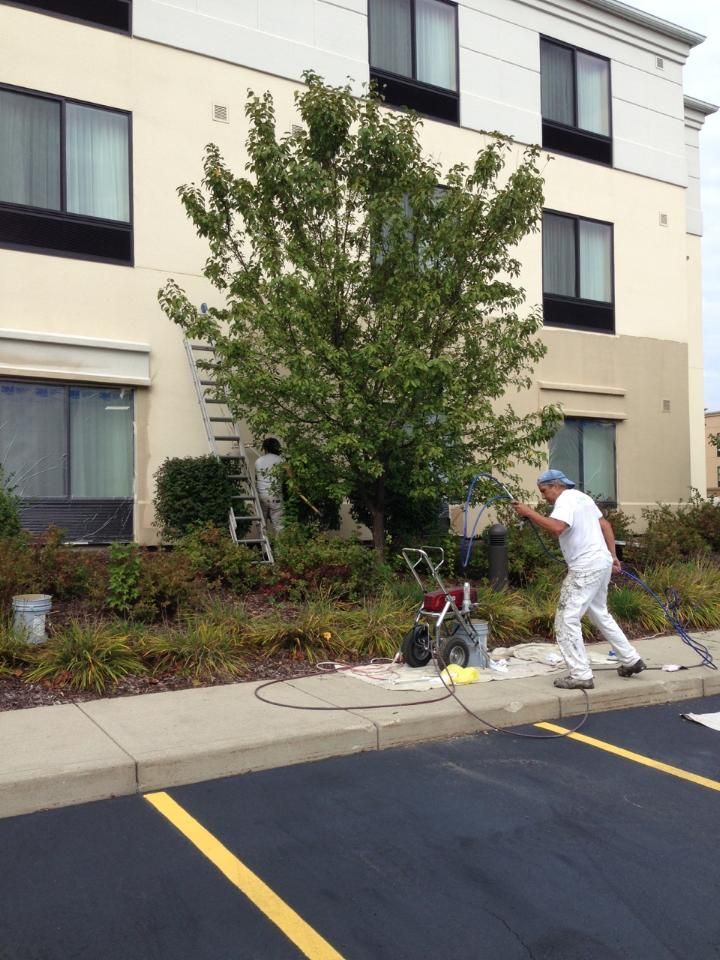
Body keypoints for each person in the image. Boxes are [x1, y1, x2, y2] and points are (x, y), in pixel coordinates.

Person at [512, 469, 646, 690]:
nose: (544, 497)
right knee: (599, 613)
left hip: (585, 567)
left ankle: (580, 674)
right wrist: (612, 556)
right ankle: (631, 660)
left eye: (544, 491)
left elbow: (557, 527)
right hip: (600, 561)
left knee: (566, 620)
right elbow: (606, 526)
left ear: (556, 486)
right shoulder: (583, 498)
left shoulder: (564, 500)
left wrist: (529, 513)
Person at [254, 437, 285, 531]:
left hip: (262, 495)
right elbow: (290, 476)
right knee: (279, 525)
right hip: (275, 496)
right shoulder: (280, 460)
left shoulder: (258, 461)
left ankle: (264, 543)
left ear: (265, 448)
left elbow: (256, 478)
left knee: (262, 523)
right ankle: (281, 545)